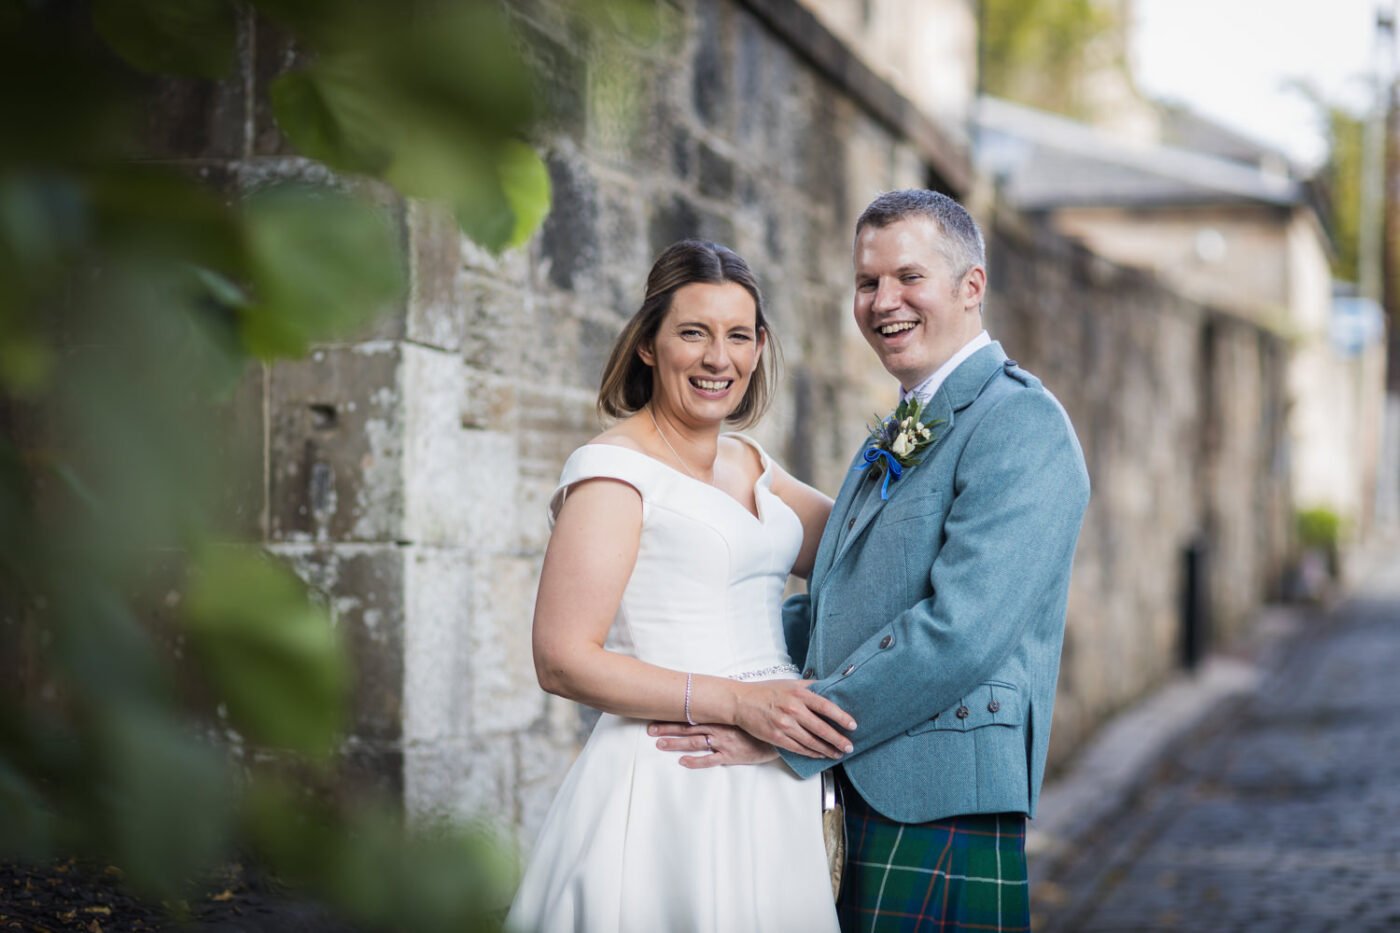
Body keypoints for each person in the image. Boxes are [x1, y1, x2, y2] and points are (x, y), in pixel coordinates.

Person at [655, 189, 1091, 932]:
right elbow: (836, 602)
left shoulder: (1021, 424)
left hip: (939, 803)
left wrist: (782, 726)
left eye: (908, 277)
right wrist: (714, 679)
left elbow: (962, 632)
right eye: (867, 282)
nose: (883, 300)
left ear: (971, 285)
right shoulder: (900, 425)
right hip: (855, 784)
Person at [504, 239, 850, 933]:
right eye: (693, 332)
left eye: (738, 335)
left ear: (759, 348)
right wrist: (734, 703)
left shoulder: (752, 461)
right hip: (671, 776)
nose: (718, 358)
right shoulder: (612, 471)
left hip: (771, 775)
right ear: (649, 345)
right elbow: (561, 656)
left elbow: (860, 551)